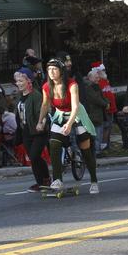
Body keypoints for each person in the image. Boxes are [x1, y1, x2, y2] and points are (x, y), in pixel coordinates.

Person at [37, 58, 101, 194]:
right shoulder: (46, 87)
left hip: (77, 115)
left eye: (54, 69)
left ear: (61, 71)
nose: (51, 72)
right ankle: (58, 179)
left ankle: (94, 180)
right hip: (60, 115)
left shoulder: (72, 85)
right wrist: (40, 121)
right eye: (49, 69)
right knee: (53, 143)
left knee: (85, 149)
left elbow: (76, 106)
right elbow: (45, 105)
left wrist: (69, 124)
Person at [15, 67, 51, 192]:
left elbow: (43, 111)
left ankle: (46, 179)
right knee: (32, 157)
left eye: (21, 81)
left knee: (35, 155)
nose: (18, 83)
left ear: (28, 81)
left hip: (39, 131)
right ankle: (40, 183)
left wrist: (41, 123)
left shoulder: (36, 95)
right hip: (26, 132)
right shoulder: (19, 96)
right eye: (17, 81)